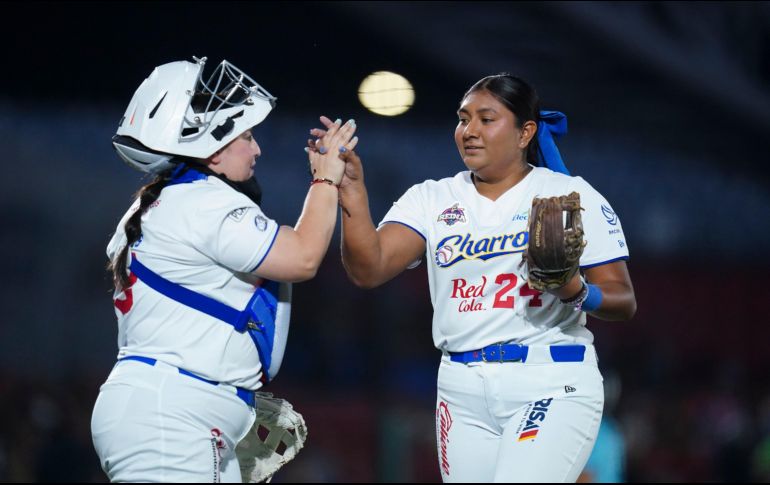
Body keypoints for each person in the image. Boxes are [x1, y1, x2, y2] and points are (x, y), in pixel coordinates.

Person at [325, 74, 637, 482]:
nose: (469, 131)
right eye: (462, 118)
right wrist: (352, 193)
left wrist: (574, 290)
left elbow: (623, 299)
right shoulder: (432, 198)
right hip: (462, 387)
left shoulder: (567, 195)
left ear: (526, 132)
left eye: (486, 119)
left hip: (549, 378)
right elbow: (369, 269)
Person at [91, 56, 357, 482]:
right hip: (172, 413)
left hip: (173, 408)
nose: (257, 148)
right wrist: (325, 179)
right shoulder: (200, 203)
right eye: (246, 136)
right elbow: (304, 257)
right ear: (211, 151)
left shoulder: (170, 201)